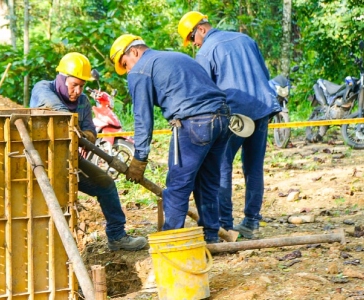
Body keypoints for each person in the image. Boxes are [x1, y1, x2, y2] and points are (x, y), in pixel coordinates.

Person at [109, 34, 232, 243]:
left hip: (195, 122)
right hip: (223, 119)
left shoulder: (140, 69)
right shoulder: (175, 58)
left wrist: (139, 158)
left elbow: (142, 117)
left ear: (135, 52)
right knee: (208, 182)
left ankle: (171, 243)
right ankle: (211, 238)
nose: (128, 70)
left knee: (177, 186)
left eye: (125, 64)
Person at [178, 11, 281, 239]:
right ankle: (252, 222)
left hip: (233, 115)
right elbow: (264, 75)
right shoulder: (245, 39)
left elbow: (203, 92)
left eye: (192, 38)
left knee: (221, 166)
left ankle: (226, 223)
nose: (194, 44)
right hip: (262, 108)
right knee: (253, 167)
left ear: (201, 29)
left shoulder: (207, 51)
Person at [30, 52, 148, 251]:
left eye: (81, 86)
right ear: (61, 79)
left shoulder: (83, 101)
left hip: (69, 159)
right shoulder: (43, 88)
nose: (77, 91)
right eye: (73, 85)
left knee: (106, 184)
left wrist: (85, 136)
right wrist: (70, 123)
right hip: (41, 162)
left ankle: (117, 236)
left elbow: (91, 133)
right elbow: (56, 108)